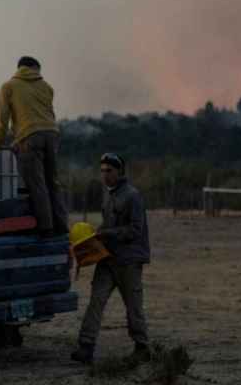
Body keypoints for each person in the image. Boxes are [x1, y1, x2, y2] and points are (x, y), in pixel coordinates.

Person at [71, 153, 151, 365]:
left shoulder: (133, 196)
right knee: (95, 302)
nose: (105, 175)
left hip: (129, 261)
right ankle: (86, 347)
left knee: (133, 306)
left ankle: (142, 348)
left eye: (109, 171)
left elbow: (135, 230)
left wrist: (106, 234)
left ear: (120, 172)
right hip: (107, 259)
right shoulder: (108, 195)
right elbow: (108, 225)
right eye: (102, 171)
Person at [0, 56, 67, 237]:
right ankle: (62, 227)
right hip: (53, 134)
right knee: (53, 183)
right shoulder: (46, 87)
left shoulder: (9, 86)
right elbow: (49, 113)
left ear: (19, 68)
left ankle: (46, 228)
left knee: (37, 184)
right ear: (35, 68)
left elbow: (3, 117)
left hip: (30, 137)